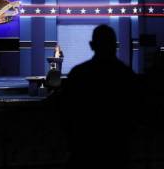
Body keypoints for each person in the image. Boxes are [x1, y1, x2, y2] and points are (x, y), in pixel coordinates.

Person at [59, 25, 139, 169]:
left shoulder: (78, 74)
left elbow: (65, 111)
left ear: (92, 45)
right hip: (117, 150)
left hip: (84, 149)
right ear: (115, 45)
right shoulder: (127, 75)